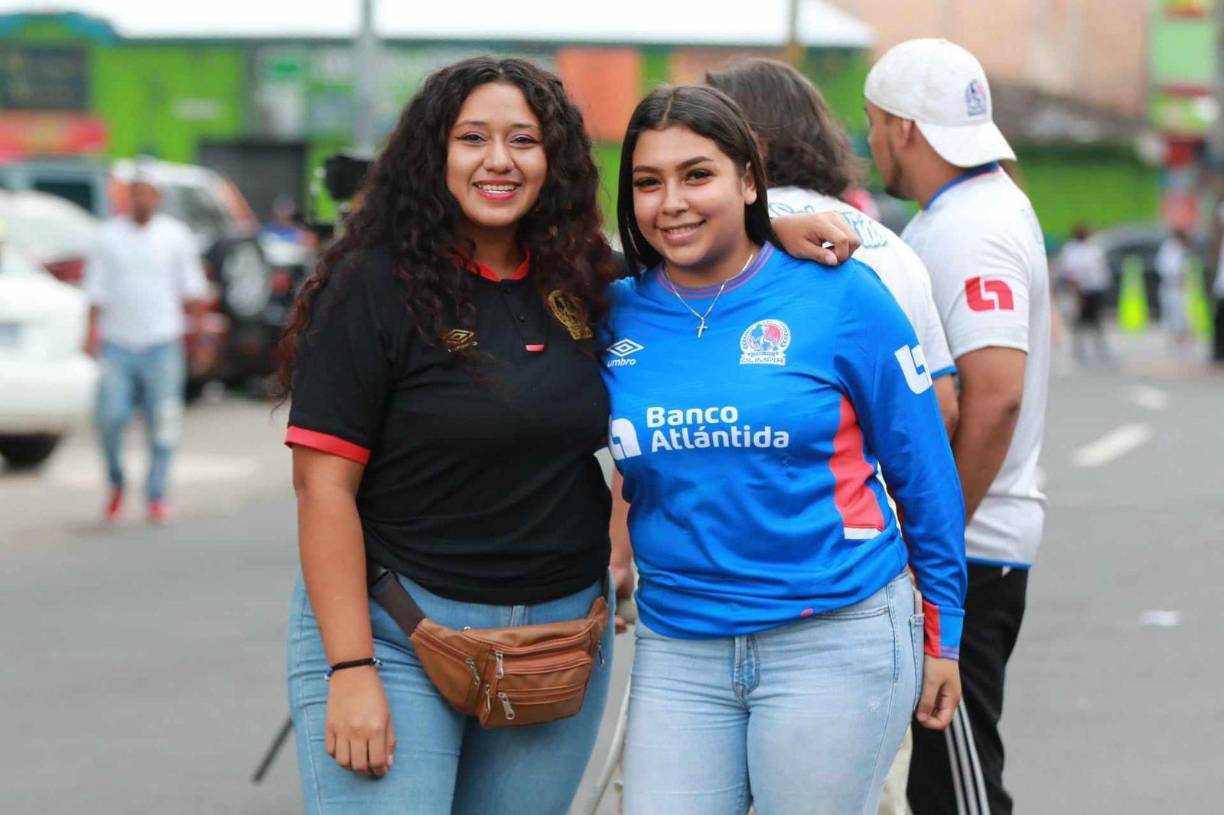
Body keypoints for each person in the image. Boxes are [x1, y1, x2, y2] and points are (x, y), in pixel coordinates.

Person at [277, 57, 861, 815]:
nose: (499, 160)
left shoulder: (587, 282)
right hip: (397, 634)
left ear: (552, 158)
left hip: (559, 644)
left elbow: (688, 259)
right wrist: (349, 664)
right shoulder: (372, 286)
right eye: (473, 138)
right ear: (434, 154)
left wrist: (769, 227)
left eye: (523, 139)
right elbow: (322, 485)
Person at [604, 84, 966, 815]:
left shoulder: (843, 296)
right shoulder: (609, 309)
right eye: (649, 182)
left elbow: (923, 472)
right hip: (679, 645)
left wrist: (945, 635)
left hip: (837, 637)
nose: (671, 201)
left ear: (747, 180)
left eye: (697, 175)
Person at [706, 58, 959, 814]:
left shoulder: (696, 249)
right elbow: (938, 409)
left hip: (705, 583)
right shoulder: (887, 247)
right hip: (862, 583)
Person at [863, 38, 1052, 815]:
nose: (871, 141)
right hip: (963, 544)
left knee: (960, 793)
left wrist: (935, 541)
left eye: (873, 124)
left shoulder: (972, 224)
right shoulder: (970, 209)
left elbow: (996, 393)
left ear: (904, 128)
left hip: (970, 548)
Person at [83, 172, 208, 524]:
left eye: (147, 194)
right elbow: (96, 290)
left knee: (163, 422)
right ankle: (117, 481)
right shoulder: (108, 237)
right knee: (110, 417)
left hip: (163, 342)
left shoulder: (175, 237)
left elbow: (193, 292)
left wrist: (198, 339)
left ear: (158, 199)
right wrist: (90, 332)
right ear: (127, 199)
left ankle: (156, 493)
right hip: (118, 343)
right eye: (134, 194)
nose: (140, 201)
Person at [1057, 222, 1112, 365]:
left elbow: (1100, 269)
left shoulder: (1092, 249)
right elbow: (1071, 273)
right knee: (1080, 320)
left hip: (1095, 289)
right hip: (1082, 290)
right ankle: (1078, 348)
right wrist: (1077, 292)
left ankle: (1099, 347)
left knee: (1096, 320)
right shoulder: (1072, 250)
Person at [1155, 228, 1193, 349]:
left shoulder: (1177, 249)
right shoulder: (1171, 248)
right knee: (1174, 313)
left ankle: (1179, 337)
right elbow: (1169, 268)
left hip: (1176, 286)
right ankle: (1175, 338)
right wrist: (1178, 278)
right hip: (1172, 285)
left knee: (1180, 313)